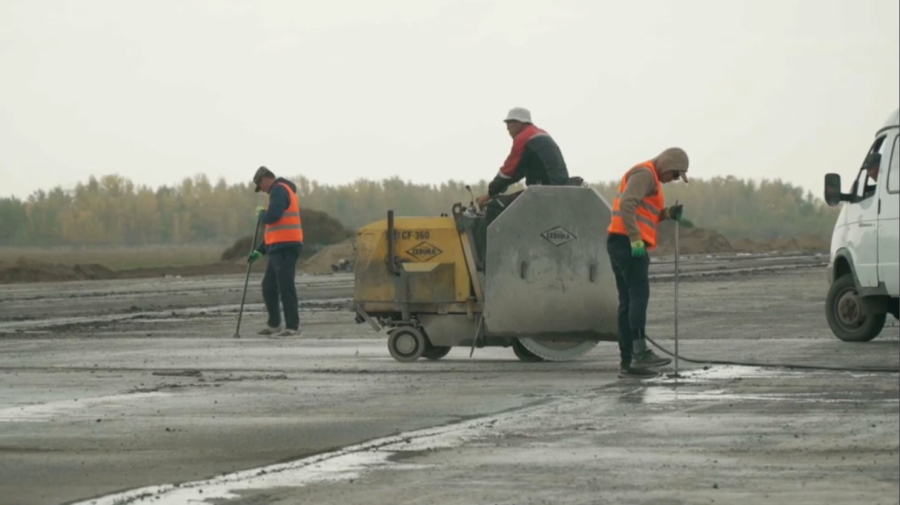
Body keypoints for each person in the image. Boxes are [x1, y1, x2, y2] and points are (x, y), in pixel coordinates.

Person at [607, 148, 689, 378]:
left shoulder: (650, 177)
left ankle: (629, 361)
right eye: (674, 175)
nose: (673, 180)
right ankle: (640, 352)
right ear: (667, 165)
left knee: (627, 301)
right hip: (627, 243)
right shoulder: (646, 174)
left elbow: (643, 211)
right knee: (638, 295)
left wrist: (667, 213)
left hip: (618, 241)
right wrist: (634, 239)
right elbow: (627, 204)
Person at [476, 107, 570, 225]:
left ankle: (489, 244)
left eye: (509, 123)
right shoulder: (540, 134)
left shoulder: (524, 138)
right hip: (556, 191)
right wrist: (496, 191)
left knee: (495, 207)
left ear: (519, 123)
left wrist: (490, 194)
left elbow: (507, 172)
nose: (507, 128)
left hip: (543, 193)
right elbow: (517, 173)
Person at [248, 166, 304, 337]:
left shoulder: (279, 189)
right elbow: (275, 230)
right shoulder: (279, 191)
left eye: (260, 185)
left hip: (286, 247)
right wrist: (260, 250)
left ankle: (292, 327)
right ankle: (274, 324)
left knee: (285, 287)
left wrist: (262, 216)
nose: (262, 190)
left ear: (265, 179)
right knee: (269, 287)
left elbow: (274, 216)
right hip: (278, 246)